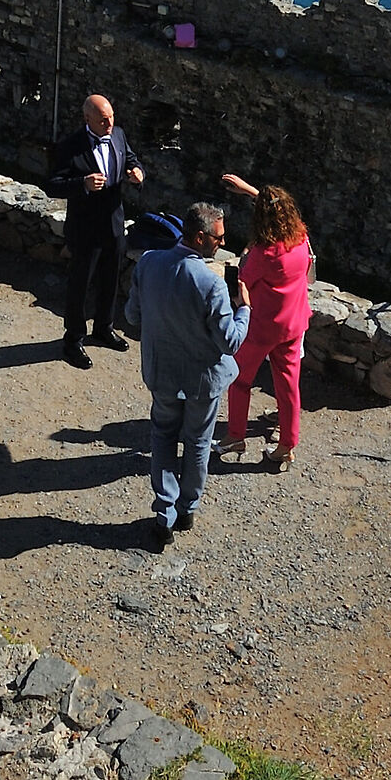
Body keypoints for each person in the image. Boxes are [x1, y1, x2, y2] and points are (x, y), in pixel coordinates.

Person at [127, 202, 250, 547]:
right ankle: (186, 509)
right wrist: (245, 310)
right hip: (202, 381)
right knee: (197, 443)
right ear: (200, 237)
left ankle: (163, 512)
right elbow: (230, 342)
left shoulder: (149, 262)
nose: (221, 244)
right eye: (219, 238)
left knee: (162, 438)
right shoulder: (211, 285)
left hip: (161, 373)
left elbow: (133, 316)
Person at [220, 173, 313, 470]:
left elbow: (243, 279)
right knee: (287, 388)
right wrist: (249, 190)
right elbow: (275, 205)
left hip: (260, 327)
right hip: (293, 324)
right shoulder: (301, 238)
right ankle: (287, 445)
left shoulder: (263, 252)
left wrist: (246, 251)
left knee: (240, 379)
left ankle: (236, 435)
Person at [47, 94, 145, 370]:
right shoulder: (71, 145)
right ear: (87, 119)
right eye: (103, 119)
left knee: (109, 280)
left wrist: (137, 173)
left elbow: (132, 160)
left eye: (112, 116)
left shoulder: (119, 135)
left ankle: (104, 327)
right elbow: (53, 184)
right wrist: (82, 184)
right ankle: (73, 339)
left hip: (113, 224)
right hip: (85, 228)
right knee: (80, 285)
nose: (110, 123)